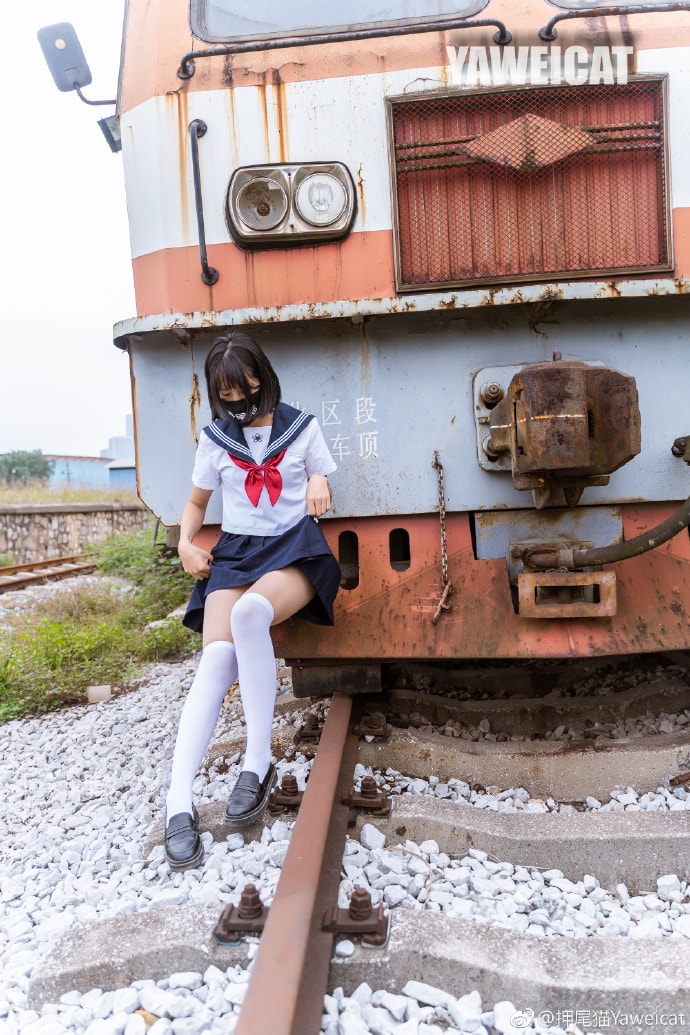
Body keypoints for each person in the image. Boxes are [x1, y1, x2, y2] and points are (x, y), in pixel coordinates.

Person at [164, 331, 340, 871]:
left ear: (263, 378)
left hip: (293, 550)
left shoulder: (301, 427)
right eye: (228, 395)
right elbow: (196, 504)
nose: (240, 401)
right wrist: (185, 543)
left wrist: (318, 481)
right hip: (237, 554)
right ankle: (177, 803)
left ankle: (256, 760)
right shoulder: (216, 438)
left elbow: (320, 475)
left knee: (248, 614)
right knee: (216, 659)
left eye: (246, 388)